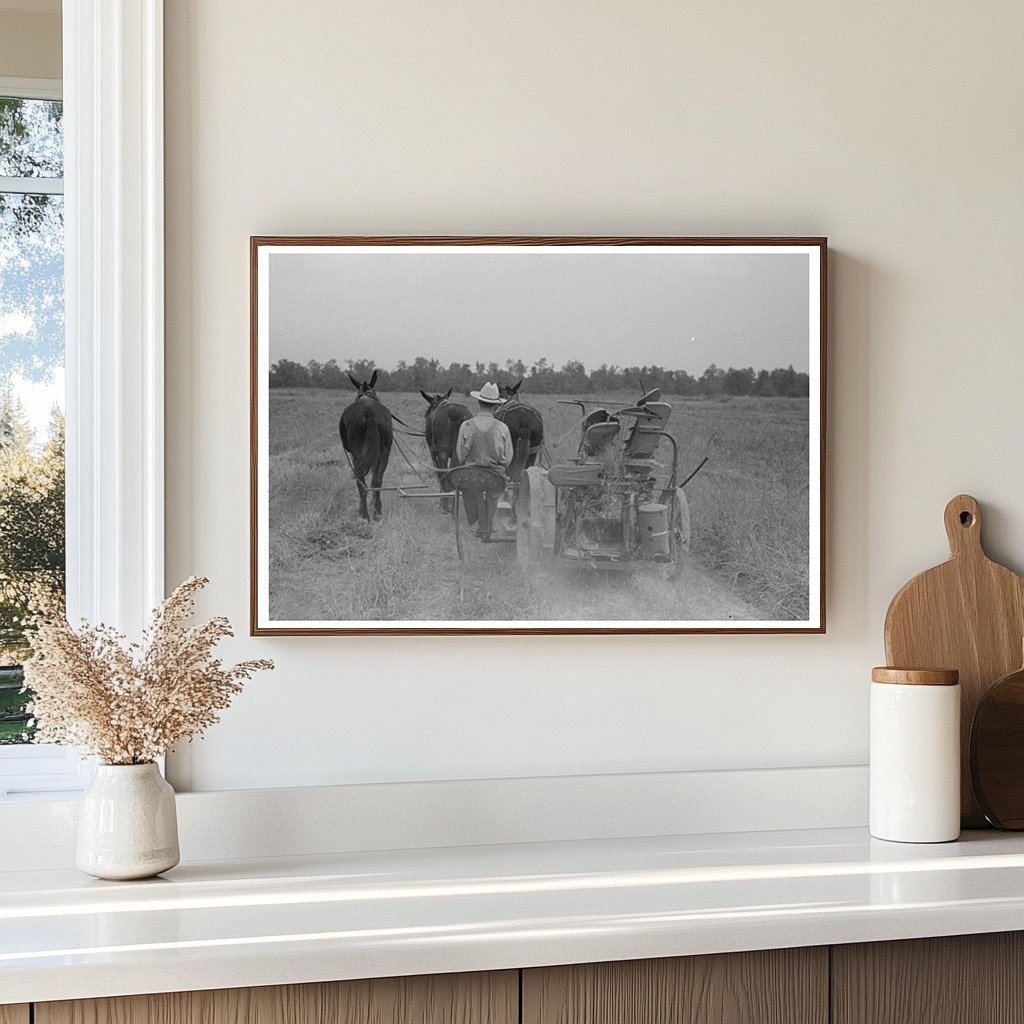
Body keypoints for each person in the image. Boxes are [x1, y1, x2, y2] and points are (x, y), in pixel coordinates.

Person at [456, 381, 514, 538]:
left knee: (472, 485)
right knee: (493, 490)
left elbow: (461, 456)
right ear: (495, 406)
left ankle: (480, 523)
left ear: (479, 402)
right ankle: (487, 523)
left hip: (471, 475)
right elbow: (507, 458)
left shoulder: (466, 425)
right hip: (494, 476)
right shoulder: (502, 428)